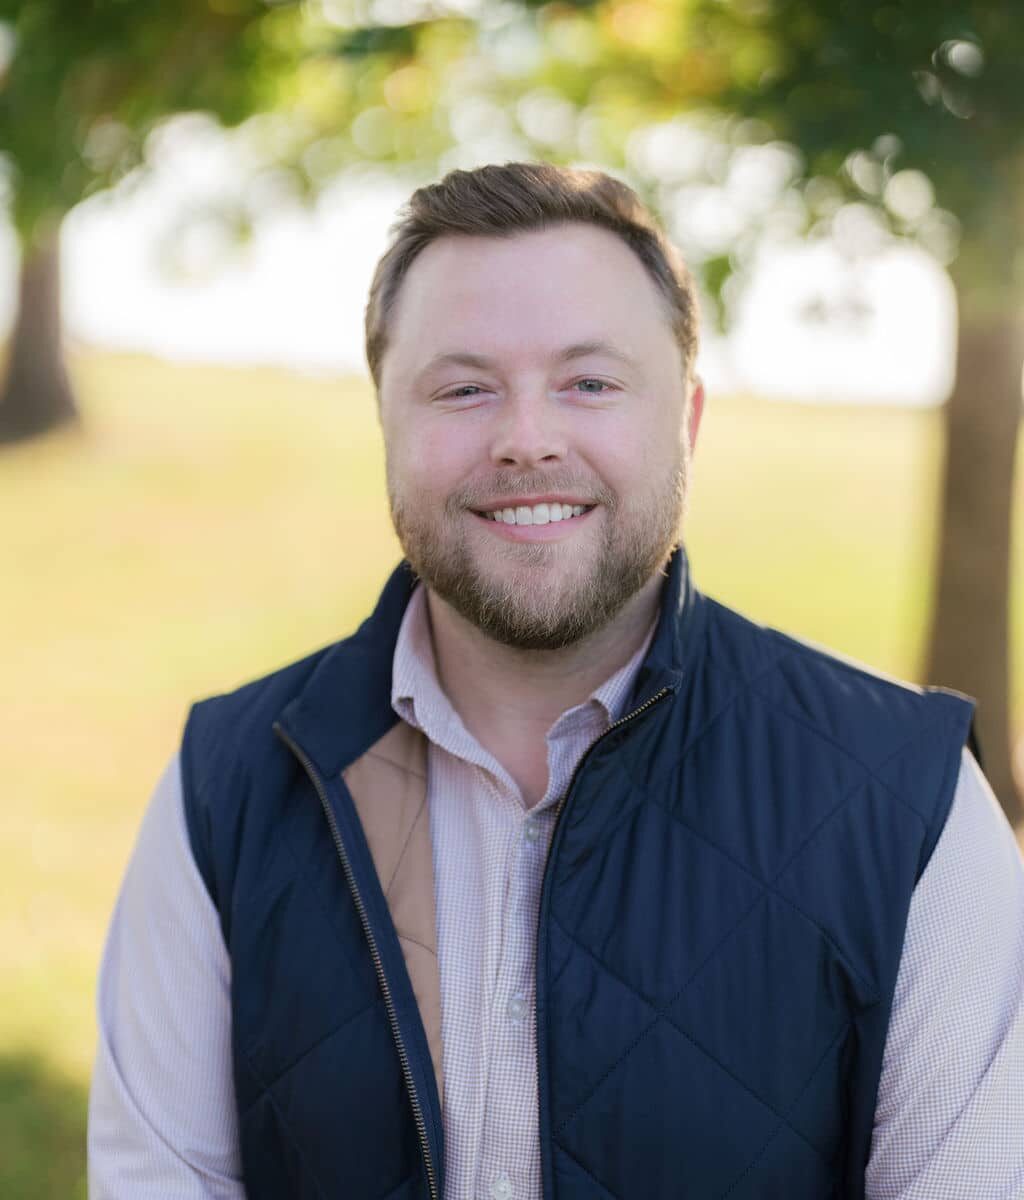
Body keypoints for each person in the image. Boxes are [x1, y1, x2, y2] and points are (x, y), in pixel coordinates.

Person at [88, 162, 1024, 1200]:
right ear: (387, 428)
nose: (525, 439)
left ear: (689, 424)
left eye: (588, 382)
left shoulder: (912, 808)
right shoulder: (221, 791)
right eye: (462, 387)